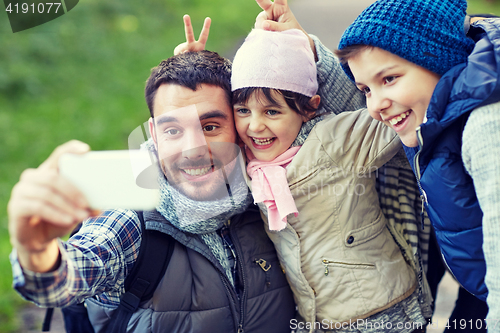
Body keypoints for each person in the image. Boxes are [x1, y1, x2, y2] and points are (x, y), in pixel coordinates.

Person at [8, 50, 297, 333]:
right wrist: (35, 249)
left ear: (238, 126)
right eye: (173, 130)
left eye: (210, 127)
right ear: (154, 134)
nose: (193, 150)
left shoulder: (270, 194)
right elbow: (71, 274)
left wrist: (300, 43)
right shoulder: (129, 219)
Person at [230, 27, 427, 332]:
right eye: (243, 110)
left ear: (309, 108)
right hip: (318, 320)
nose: (255, 126)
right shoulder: (246, 161)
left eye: (271, 111)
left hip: (381, 312)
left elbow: (384, 113)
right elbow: (197, 146)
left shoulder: (333, 140)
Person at [335, 0, 500, 329]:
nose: (375, 106)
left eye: (390, 79)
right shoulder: (430, 115)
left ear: (437, 58)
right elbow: (339, 108)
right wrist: (300, 44)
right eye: (366, 89)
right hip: (478, 288)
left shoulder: (486, 127)